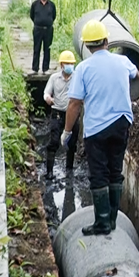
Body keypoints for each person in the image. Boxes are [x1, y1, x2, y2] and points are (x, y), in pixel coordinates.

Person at [64, 19, 139, 236]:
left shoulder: (83, 68)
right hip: (121, 122)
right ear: (107, 41)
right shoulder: (122, 61)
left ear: (87, 46)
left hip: (97, 128)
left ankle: (102, 223)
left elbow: (74, 103)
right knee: (115, 171)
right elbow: (137, 75)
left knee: (99, 174)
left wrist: (67, 131)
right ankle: (113, 219)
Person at [43, 50, 81, 180]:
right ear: (61, 65)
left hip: (73, 114)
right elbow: (46, 93)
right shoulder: (54, 78)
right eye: (67, 63)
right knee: (54, 141)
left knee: (72, 142)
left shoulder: (77, 77)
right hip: (57, 113)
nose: (70, 66)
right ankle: (49, 172)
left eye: (72, 63)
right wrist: (48, 98)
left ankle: (69, 170)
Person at [30, 0, 56, 74]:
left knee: (47, 49)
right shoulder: (35, 4)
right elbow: (32, 16)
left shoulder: (52, 5)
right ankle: (35, 69)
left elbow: (54, 16)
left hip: (48, 30)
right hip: (38, 29)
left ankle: (45, 69)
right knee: (36, 49)